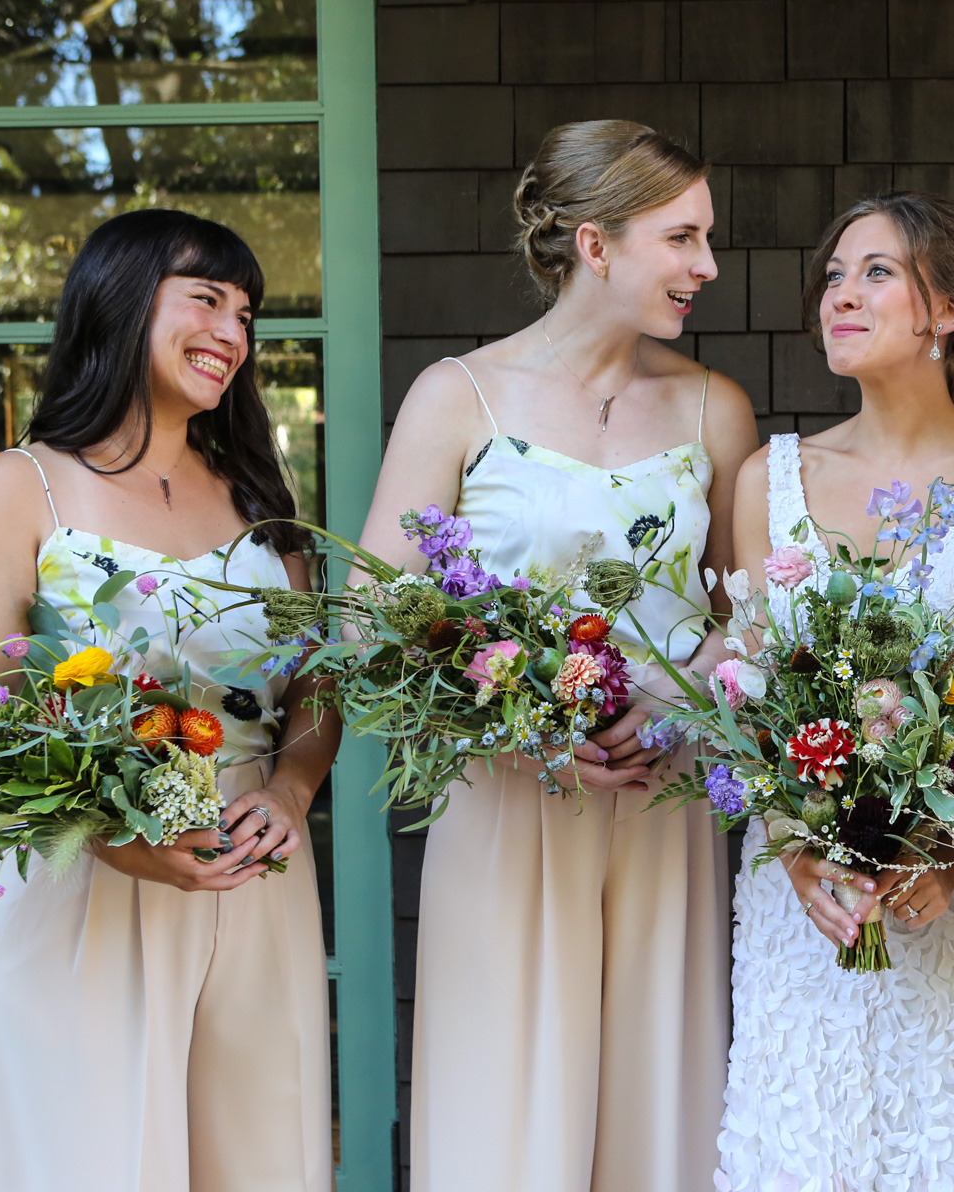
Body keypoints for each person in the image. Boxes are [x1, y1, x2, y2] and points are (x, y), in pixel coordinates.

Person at [363, 120, 758, 1192]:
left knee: (654, 1108)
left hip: (662, 797)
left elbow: (751, 612)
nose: (706, 266)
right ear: (595, 244)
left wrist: (682, 695)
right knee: (506, 1114)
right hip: (506, 800)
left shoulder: (714, 407)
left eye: (706, 237)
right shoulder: (459, 395)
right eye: (681, 238)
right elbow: (374, 615)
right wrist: (516, 716)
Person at [0, 208, 337, 1190]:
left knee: (260, 1153)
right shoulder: (19, 486)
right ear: (122, 301)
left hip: (252, 871)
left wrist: (289, 790)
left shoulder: (258, 499)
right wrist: (120, 843)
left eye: (247, 315)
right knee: (94, 1157)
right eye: (208, 300)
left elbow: (315, 684)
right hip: (89, 873)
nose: (233, 334)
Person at [716, 190, 954, 1192]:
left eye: (876, 272)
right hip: (808, 909)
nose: (841, 293)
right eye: (834, 275)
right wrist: (792, 845)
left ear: (947, 309)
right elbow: (748, 691)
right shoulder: (769, 477)